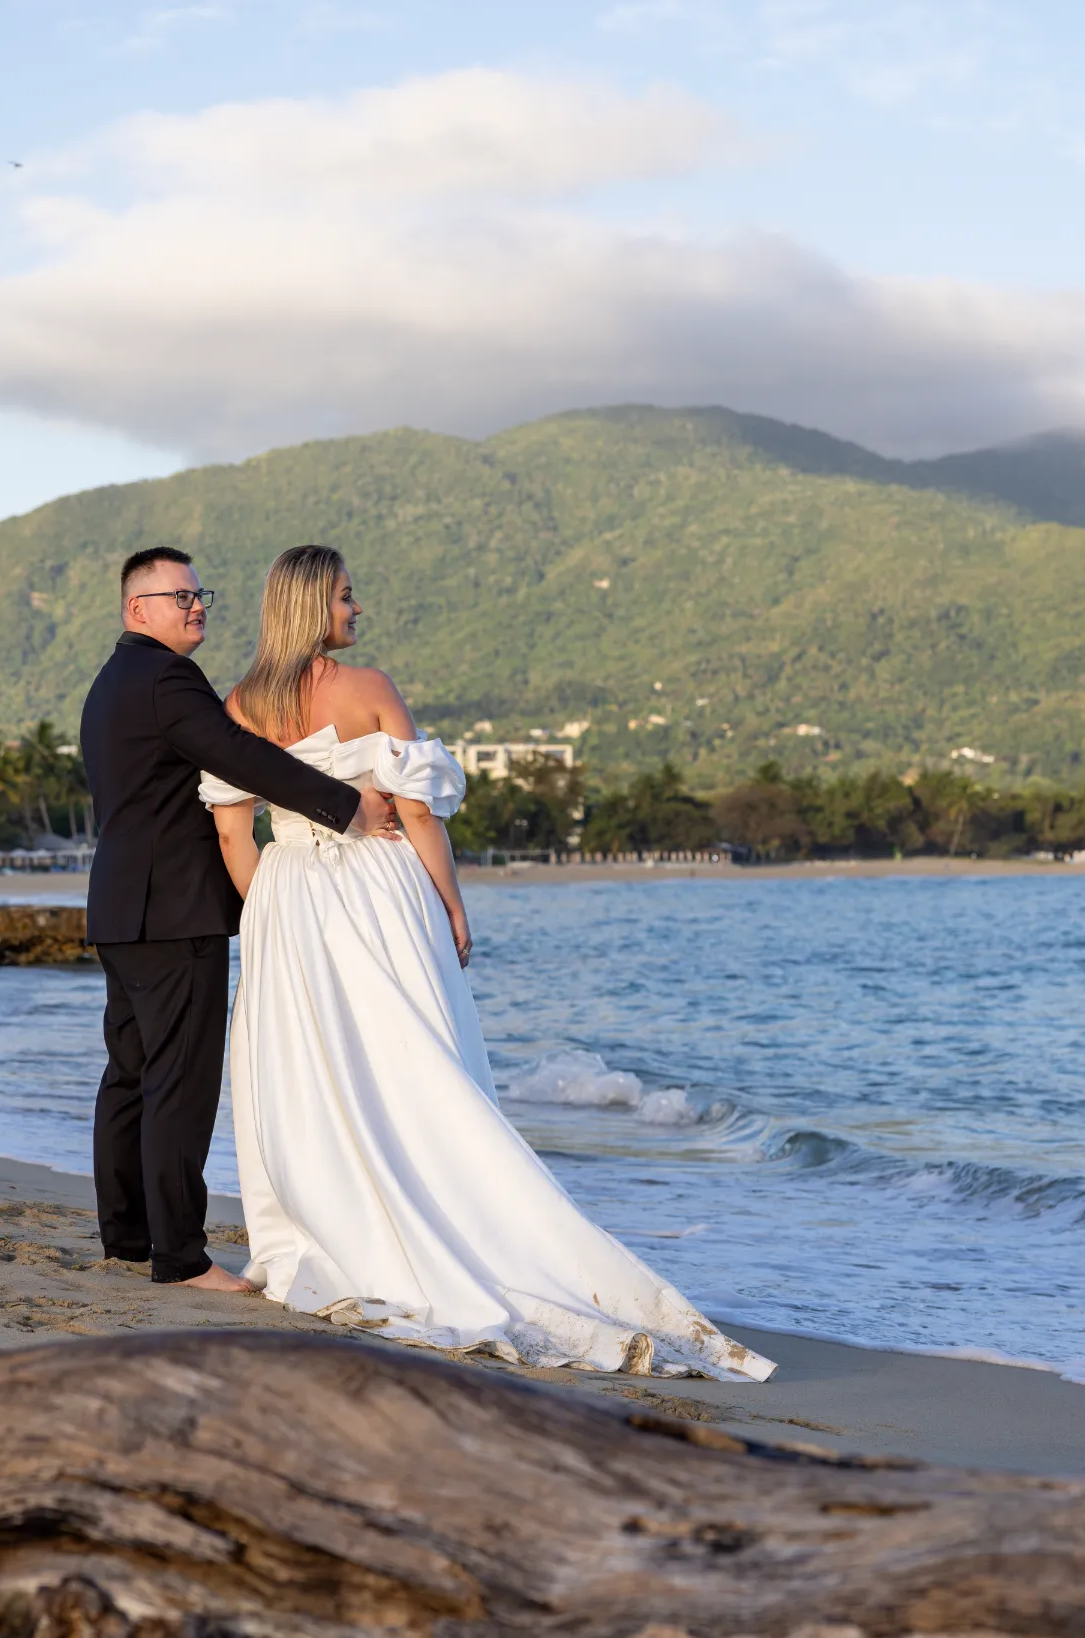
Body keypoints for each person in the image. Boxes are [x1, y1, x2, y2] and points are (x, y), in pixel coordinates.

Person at [201, 544, 774, 1380]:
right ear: (312, 606)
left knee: (312, 1071)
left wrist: (271, 917)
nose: (358, 612)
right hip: (377, 893)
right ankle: (452, 1218)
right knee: (415, 1056)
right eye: (347, 598)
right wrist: (452, 904)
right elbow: (417, 813)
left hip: (286, 897)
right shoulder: (369, 690)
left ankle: (333, 1230)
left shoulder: (239, 703)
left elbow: (229, 829)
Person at [81, 546, 398, 1290]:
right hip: (173, 908)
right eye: (180, 595)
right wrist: (347, 804)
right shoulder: (167, 679)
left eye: (201, 594)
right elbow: (240, 757)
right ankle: (181, 1259)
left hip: (121, 905)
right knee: (176, 1083)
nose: (197, 605)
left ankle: (126, 1238)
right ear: (138, 610)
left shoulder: (110, 681)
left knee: (128, 1074)